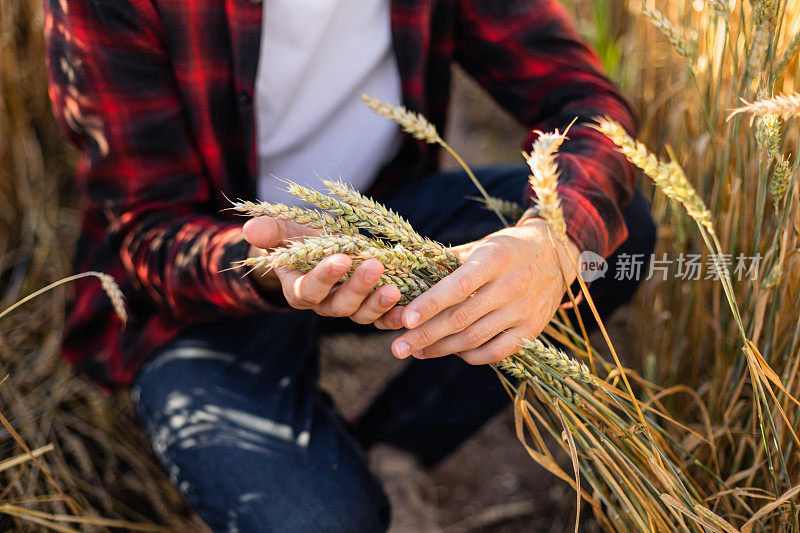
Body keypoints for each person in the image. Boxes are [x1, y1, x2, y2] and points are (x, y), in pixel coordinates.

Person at [44, 0, 655, 530]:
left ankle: (394, 444)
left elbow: (581, 98)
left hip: (382, 220)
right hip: (209, 285)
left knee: (608, 242)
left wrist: (550, 239)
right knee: (320, 523)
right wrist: (273, 264)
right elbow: (147, 229)